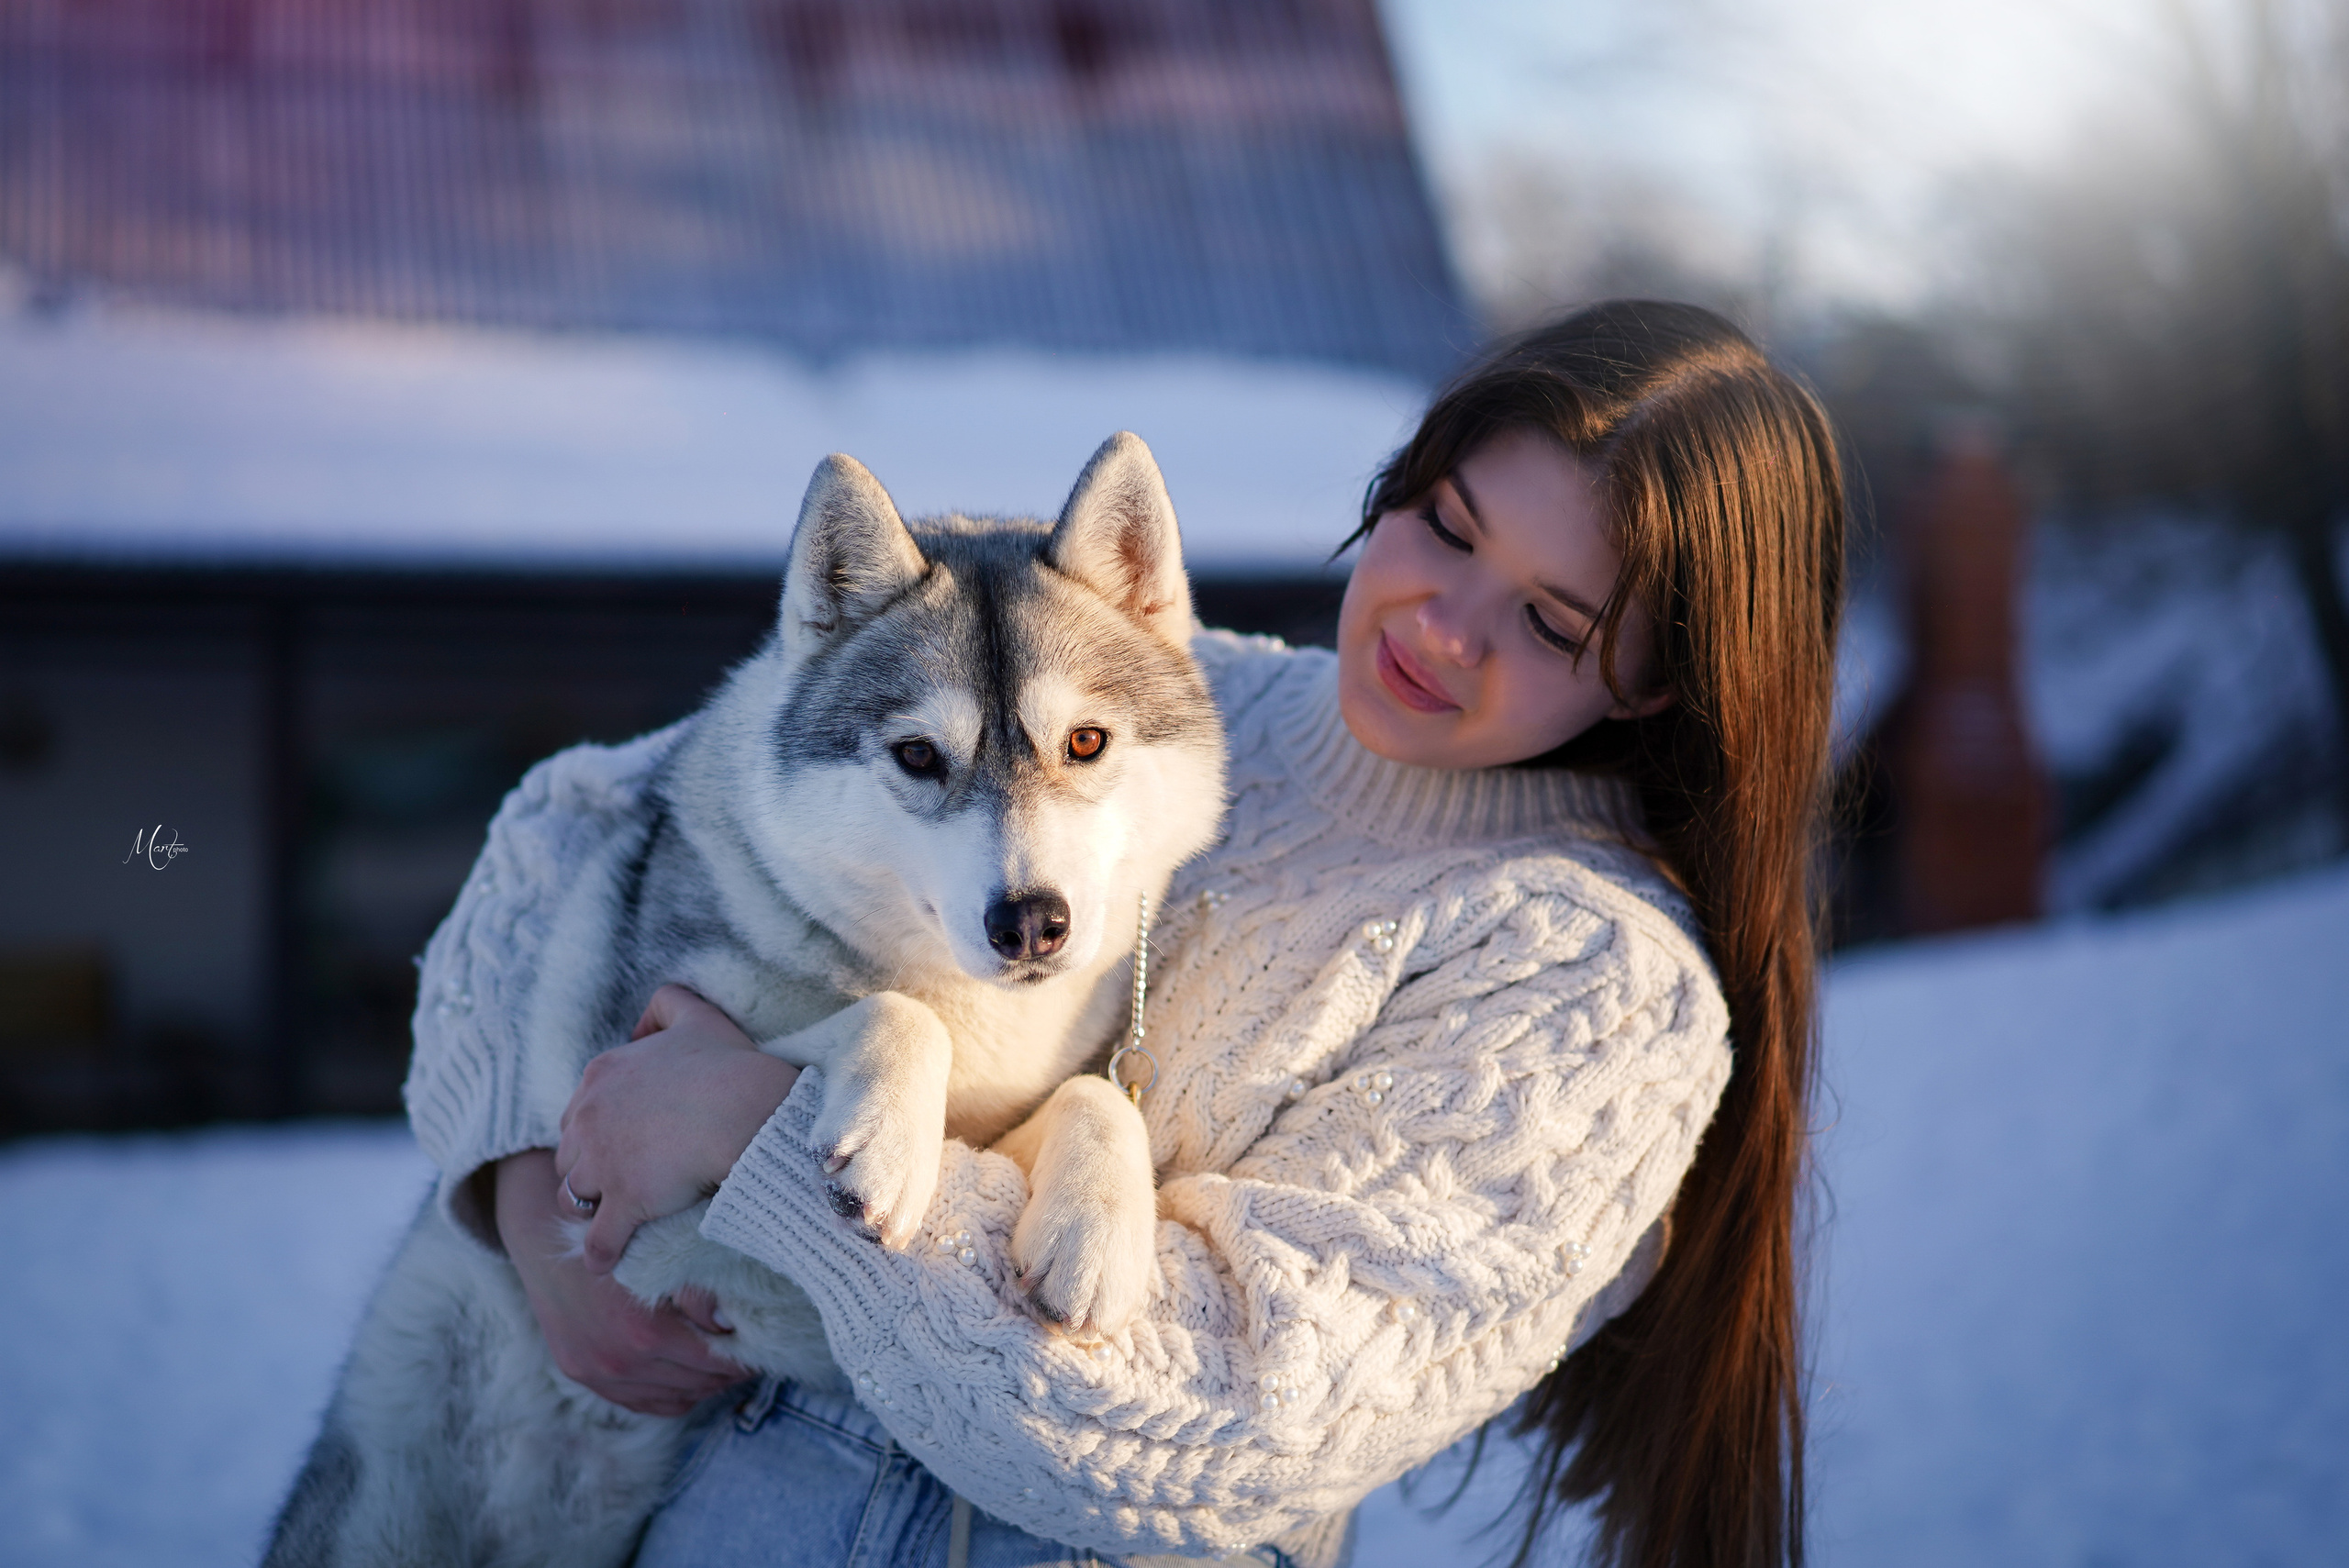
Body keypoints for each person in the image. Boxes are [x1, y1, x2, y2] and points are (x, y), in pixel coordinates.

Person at [404, 299, 1843, 1568]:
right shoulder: (1127, 673)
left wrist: (766, 1131)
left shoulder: (1593, 982)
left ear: (1662, 678)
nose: (1439, 623)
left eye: (1547, 619)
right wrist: (542, 1200)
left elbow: (1234, 1420)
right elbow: (575, 820)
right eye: (1448, 525)